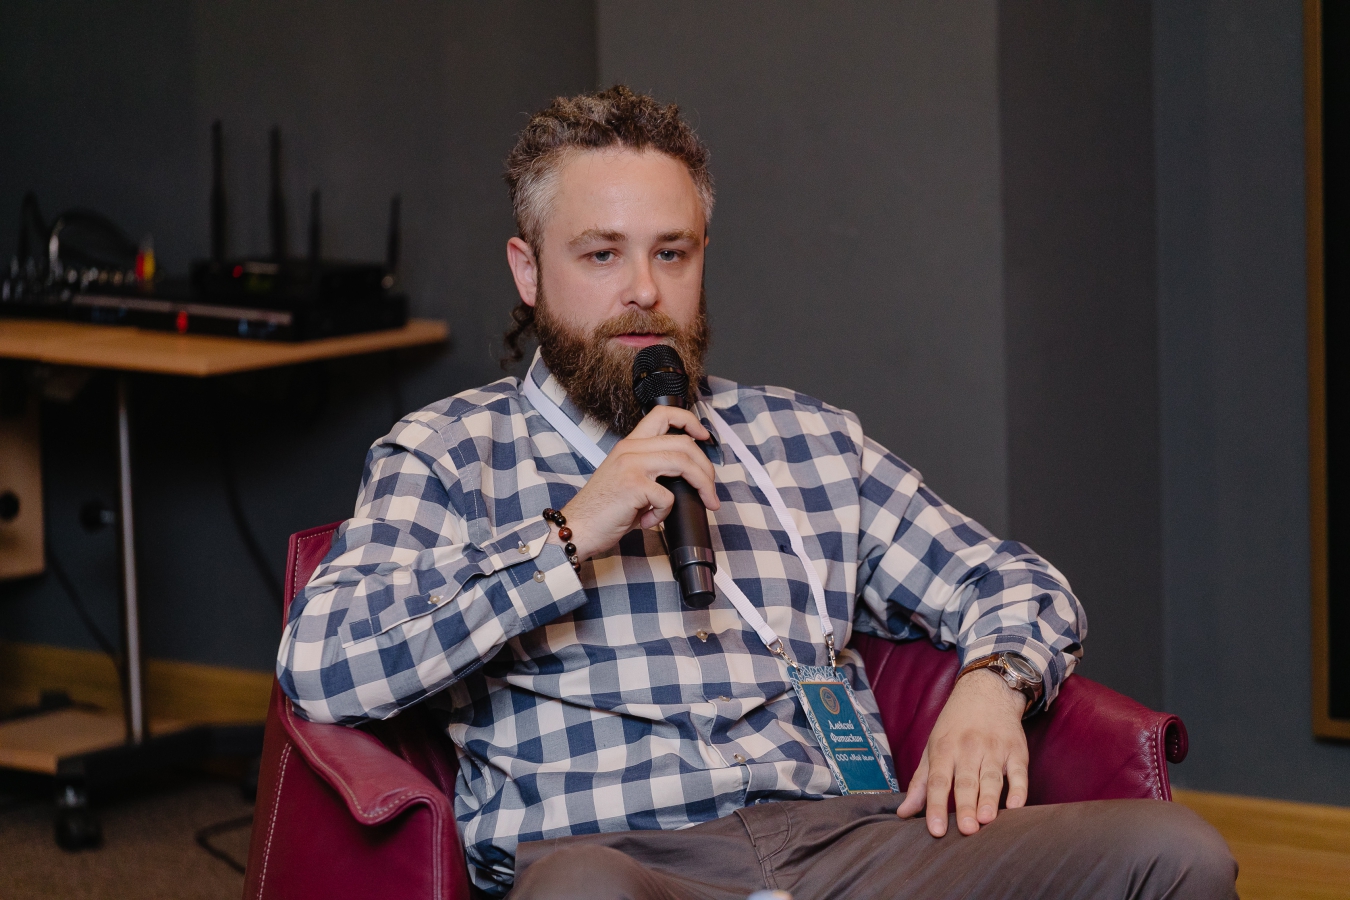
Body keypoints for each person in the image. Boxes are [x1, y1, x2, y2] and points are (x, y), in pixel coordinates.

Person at [278, 86, 1235, 899]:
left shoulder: (805, 440)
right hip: (621, 859)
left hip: (848, 849)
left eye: (672, 253)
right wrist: (569, 534)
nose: (644, 291)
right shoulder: (449, 453)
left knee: (1174, 854)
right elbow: (323, 664)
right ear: (528, 272)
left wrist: (994, 684)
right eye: (601, 254)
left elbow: (1014, 583)